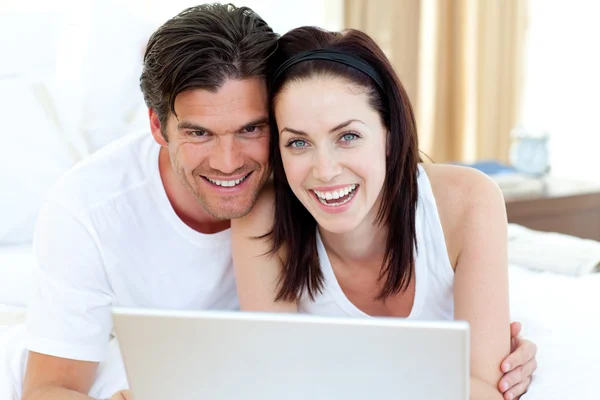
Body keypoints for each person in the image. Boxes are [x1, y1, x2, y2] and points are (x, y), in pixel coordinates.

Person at [21, 4, 535, 400]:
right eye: (199, 132)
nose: (227, 161)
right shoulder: (89, 209)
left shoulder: (299, 191)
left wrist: (482, 368)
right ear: (158, 126)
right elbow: (48, 385)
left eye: (251, 129)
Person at [232, 26, 535, 400]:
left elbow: (486, 394)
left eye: (348, 137)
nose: (324, 170)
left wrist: (327, 369)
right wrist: (434, 371)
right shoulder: (262, 217)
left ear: (389, 134)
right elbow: (275, 385)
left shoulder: (470, 200)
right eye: (298, 142)